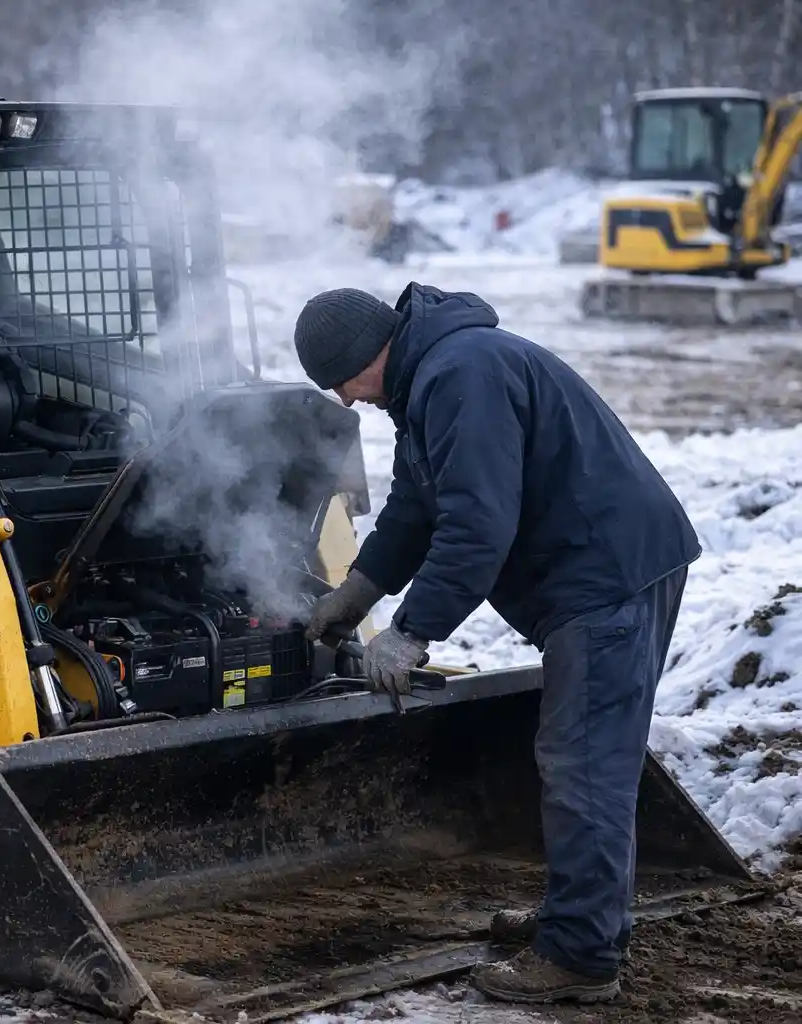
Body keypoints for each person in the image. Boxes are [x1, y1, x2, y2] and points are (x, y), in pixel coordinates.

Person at [294, 283, 700, 1004]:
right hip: (598, 571)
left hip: (606, 579)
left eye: (342, 382)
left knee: (583, 763)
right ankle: (579, 918)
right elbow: (420, 505)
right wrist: (357, 591)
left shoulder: (460, 374)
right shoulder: (433, 377)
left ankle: (580, 957)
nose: (347, 400)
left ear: (365, 355)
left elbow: (477, 525)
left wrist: (412, 632)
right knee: (582, 758)